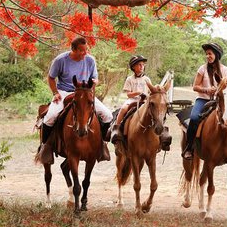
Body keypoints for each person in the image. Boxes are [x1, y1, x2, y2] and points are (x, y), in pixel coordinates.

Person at [38, 36, 113, 164]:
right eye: (82, 50)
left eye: (86, 50)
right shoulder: (60, 60)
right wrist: (55, 93)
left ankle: (102, 144)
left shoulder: (90, 60)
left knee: (107, 115)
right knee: (50, 116)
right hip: (65, 91)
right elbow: (51, 78)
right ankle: (45, 146)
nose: (85, 53)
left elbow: (95, 78)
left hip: (84, 92)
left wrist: (94, 83)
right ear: (73, 49)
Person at [182, 41, 227, 159]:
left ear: (216, 55)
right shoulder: (202, 69)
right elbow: (195, 86)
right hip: (203, 99)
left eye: (210, 54)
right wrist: (206, 90)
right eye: (206, 54)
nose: (208, 56)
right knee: (194, 118)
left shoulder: (225, 70)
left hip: (220, 101)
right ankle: (189, 147)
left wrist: (218, 91)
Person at [110, 55, 151, 144]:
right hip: (133, 100)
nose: (142, 66)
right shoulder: (130, 79)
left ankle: (160, 132)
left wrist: (146, 96)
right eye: (139, 65)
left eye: (143, 65)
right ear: (133, 67)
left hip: (144, 101)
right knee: (124, 109)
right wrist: (138, 92)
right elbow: (128, 94)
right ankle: (117, 129)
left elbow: (150, 92)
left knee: (154, 110)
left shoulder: (147, 79)